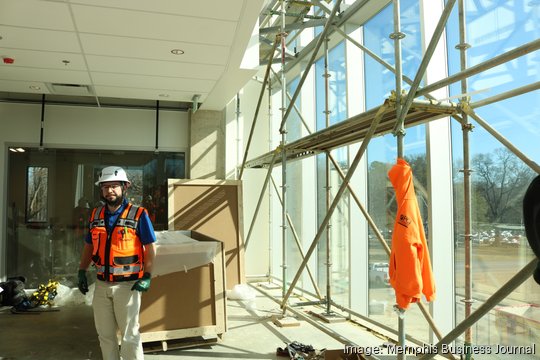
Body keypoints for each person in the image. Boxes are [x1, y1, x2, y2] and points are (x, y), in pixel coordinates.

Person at [77, 166, 156, 360]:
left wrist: (147, 275)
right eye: (105, 187)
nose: (110, 191)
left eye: (114, 186)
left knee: (129, 335)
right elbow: (89, 245)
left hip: (127, 285)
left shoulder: (139, 214)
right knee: (105, 335)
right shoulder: (95, 215)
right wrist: (81, 270)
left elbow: (151, 248)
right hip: (102, 284)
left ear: (124, 187)